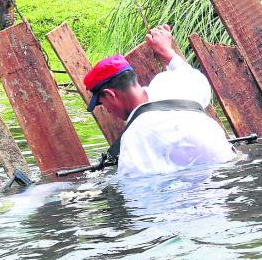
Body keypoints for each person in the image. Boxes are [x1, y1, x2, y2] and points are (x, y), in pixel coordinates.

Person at [84, 24, 236, 176]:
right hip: (231, 167)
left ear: (111, 95)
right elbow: (193, 77)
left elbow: (139, 193)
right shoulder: (170, 83)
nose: (108, 110)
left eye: (102, 103)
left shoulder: (135, 138)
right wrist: (167, 52)